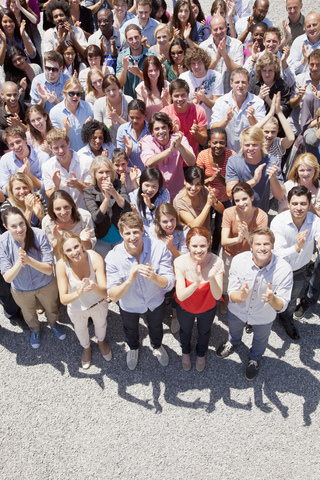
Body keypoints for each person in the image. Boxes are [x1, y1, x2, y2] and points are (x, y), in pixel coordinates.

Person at [216, 226, 293, 381]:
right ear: (251, 246)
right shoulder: (239, 261)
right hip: (238, 310)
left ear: (272, 245)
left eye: (266, 244)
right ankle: (233, 342)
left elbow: (282, 305)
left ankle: (255, 358)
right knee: (234, 329)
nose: (262, 248)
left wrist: (273, 300)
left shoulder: (284, 270)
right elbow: (231, 293)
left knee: (260, 340)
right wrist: (240, 296)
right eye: (258, 244)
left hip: (263, 315)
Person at [106, 211, 175, 371]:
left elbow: (170, 282)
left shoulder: (159, 248)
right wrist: (129, 281)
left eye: (136, 231)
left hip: (154, 300)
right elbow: (113, 295)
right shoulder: (112, 257)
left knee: (156, 326)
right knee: (130, 329)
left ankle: (156, 345)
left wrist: (154, 277)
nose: (132, 237)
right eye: (127, 233)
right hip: (129, 304)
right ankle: (134, 347)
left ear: (143, 230)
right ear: (121, 234)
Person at [0, 207, 66, 349]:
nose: (19, 229)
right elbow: (7, 278)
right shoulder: (2, 243)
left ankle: (53, 324)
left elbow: (49, 269)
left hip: (46, 284)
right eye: (13, 226)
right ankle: (35, 330)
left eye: (21, 223)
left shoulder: (39, 235)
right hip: (21, 289)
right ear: (5, 227)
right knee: (28, 313)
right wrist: (19, 262)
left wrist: (29, 260)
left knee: (52, 308)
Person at [271, 186, 320, 341]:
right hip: (277, 268)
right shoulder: (279, 221)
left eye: (303, 204)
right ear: (288, 203)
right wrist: (297, 247)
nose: (299, 208)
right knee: (269, 294)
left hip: (299, 269)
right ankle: (260, 319)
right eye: (295, 203)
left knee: (292, 298)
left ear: (309, 204)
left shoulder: (315, 221)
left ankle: (286, 318)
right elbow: (277, 252)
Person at [56, 232, 111, 368]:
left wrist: (94, 287)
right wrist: (77, 293)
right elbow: (63, 299)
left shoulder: (94, 257)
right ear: (63, 252)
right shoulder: (61, 265)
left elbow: (105, 292)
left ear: (81, 244)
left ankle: (101, 342)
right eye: (68, 250)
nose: (74, 252)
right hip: (76, 307)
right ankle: (86, 348)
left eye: (76, 246)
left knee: (101, 325)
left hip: (98, 303)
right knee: (80, 329)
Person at [174, 226, 223, 372]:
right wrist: (196, 281)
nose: (198, 250)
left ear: (209, 243)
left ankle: (201, 353)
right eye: (194, 246)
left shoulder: (216, 261)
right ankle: (186, 352)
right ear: (187, 245)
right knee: (185, 330)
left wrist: (212, 278)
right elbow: (181, 295)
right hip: (185, 307)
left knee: (204, 331)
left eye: (202, 245)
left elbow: (217, 295)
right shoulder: (180, 262)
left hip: (207, 307)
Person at [220, 182, 268, 314]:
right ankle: (225, 299)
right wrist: (238, 239)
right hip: (229, 254)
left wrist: (247, 236)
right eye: (237, 200)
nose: (241, 203)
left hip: (249, 257)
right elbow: (224, 241)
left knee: (246, 281)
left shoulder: (261, 216)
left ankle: (244, 301)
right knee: (226, 280)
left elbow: (262, 244)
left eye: (244, 198)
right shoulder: (228, 212)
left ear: (252, 197)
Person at [225, 126, 285, 213]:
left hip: (260, 213)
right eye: (247, 145)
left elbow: (280, 196)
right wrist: (254, 181)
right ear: (241, 145)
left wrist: (273, 178)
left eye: (254, 145)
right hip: (238, 213)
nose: (250, 148)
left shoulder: (271, 162)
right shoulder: (233, 161)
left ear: (261, 145)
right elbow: (230, 193)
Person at [196, 127, 235, 253]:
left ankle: (214, 250)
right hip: (207, 198)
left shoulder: (232, 156)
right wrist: (211, 179)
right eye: (215, 142)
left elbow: (231, 182)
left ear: (226, 143)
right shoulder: (202, 156)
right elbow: (198, 182)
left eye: (221, 142)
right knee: (205, 226)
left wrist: (219, 177)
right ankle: (203, 248)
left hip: (224, 198)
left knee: (220, 227)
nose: (218, 145)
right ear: (209, 143)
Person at [141, 112, 195, 200]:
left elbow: (192, 162)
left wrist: (179, 146)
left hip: (178, 193)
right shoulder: (147, 141)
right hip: (156, 193)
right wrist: (170, 150)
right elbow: (149, 162)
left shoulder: (179, 139)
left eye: (163, 127)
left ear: (169, 128)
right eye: (157, 129)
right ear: (152, 132)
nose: (161, 131)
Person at [83, 156, 131, 258]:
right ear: (94, 174)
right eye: (101, 172)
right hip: (102, 240)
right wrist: (106, 200)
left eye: (107, 172)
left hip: (121, 237)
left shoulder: (118, 184)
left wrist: (114, 193)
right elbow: (96, 218)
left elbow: (127, 208)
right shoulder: (89, 191)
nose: (104, 175)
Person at [210, 67, 266, 153]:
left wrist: (251, 118)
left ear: (248, 83)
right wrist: (227, 119)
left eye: (243, 82)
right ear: (231, 83)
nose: (240, 86)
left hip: (249, 153)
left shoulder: (258, 102)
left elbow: (261, 131)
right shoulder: (220, 102)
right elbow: (213, 129)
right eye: (237, 82)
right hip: (225, 153)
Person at [43, 128, 91, 209]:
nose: (61, 151)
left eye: (63, 146)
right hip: (63, 214)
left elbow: (92, 192)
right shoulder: (47, 166)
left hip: (85, 212)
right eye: (56, 148)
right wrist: (56, 186)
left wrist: (78, 185)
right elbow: (49, 196)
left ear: (68, 143)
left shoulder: (86, 161)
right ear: (50, 148)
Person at [42, 189, 96, 259]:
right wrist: (58, 240)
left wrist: (83, 240)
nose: (63, 212)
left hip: (84, 261)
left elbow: (90, 247)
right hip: (62, 264)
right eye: (58, 209)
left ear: (72, 205)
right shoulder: (47, 222)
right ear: (52, 210)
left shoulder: (84, 217)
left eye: (66, 207)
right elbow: (50, 253)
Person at [161, 78, 207, 157]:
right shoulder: (164, 113)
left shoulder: (199, 111)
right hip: (171, 161)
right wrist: (171, 131)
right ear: (171, 96)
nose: (180, 99)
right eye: (176, 96)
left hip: (191, 159)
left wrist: (196, 133)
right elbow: (159, 141)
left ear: (188, 95)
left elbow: (203, 141)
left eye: (183, 95)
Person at [199, 15, 243, 94]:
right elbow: (201, 74)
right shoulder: (203, 47)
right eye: (215, 29)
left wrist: (225, 55)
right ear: (211, 30)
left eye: (221, 28)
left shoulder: (237, 45)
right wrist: (216, 60)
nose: (219, 32)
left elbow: (239, 73)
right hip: (211, 96)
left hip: (231, 95)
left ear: (226, 27)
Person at [180, 46, 224, 125]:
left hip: (211, 123)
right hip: (191, 124)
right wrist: (192, 102)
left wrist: (204, 99)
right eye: (193, 63)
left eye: (199, 62)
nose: (196, 66)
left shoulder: (216, 76)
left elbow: (218, 106)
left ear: (205, 62)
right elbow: (181, 104)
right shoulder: (183, 77)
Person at [1, 125, 49, 196]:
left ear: (25, 139)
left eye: (18, 142)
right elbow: (4, 190)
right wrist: (18, 177)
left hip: (39, 198)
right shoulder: (5, 160)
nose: (16, 147)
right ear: (8, 147)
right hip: (17, 201)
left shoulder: (42, 157)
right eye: (12, 145)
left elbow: (46, 188)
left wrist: (29, 175)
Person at [173, 166, 224, 233]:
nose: (193, 188)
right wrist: (208, 204)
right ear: (185, 181)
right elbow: (194, 226)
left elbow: (222, 210)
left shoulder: (203, 190)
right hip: (189, 239)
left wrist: (214, 200)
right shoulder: (179, 201)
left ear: (202, 185)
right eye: (190, 183)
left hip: (205, 235)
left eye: (197, 184)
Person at [49, 77, 93, 152]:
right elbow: (55, 141)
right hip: (67, 156)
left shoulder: (89, 108)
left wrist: (89, 129)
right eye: (71, 93)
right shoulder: (55, 112)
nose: (75, 96)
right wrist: (65, 130)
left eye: (78, 94)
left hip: (87, 155)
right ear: (64, 93)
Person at [116, 24, 156, 98]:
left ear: (141, 36)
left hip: (148, 98)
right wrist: (124, 69)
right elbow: (119, 84)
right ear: (127, 40)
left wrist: (139, 73)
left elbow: (155, 82)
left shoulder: (151, 55)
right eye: (130, 39)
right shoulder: (122, 56)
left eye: (136, 37)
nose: (134, 41)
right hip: (129, 100)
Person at [248, 52, 291, 118]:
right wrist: (259, 97)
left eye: (270, 70)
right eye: (264, 70)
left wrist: (269, 101)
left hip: (275, 125)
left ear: (275, 71)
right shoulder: (253, 83)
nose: (267, 74)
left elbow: (285, 113)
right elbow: (246, 107)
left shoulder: (283, 86)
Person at [256, 92, 295, 164]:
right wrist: (270, 113)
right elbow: (249, 132)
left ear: (277, 131)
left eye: (273, 132)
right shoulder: (255, 143)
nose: (270, 135)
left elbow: (291, 138)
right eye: (266, 131)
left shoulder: (277, 143)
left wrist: (279, 112)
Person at [94, 74, 133, 145]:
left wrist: (118, 119)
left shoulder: (128, 101)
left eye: (114, 89)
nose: (111, 93)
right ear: (104, 91)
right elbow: (98, 131)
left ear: (119, 88)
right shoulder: (98, 104)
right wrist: (110, 126)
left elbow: (134, 127)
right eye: (108, 90)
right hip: (107, 145)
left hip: (127, 143)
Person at [129, 168, 169, 236]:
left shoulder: (163, 194)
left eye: (154, 186)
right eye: (147, 185)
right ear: (141, 183)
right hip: (142, 236)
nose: (150, 190)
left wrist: (151, 207)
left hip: (160, 235)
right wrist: (135, 216)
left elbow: (166, 216)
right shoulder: (132, 196)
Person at [116, 99, 149, 172]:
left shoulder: (151, 130)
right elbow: (119, 160)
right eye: (131, 117)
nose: (134, 121)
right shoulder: (122, 130)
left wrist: (145, 149)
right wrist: (128, 150)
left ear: (144, 115)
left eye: (138, 118)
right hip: (129, 174)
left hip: (147, 175)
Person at [135, 56, 169, 121]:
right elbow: (140, 113)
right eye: (150, 71)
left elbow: (168, 110)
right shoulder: (141, 87)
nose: (153, 73)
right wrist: (144, 99)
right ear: (146, 72)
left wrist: (163, 99)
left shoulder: (166, 85)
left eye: (156, 70)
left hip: (163, 125)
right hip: (148, 125)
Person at [0, 81, 28, 156]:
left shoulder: (28, 109)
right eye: (9, 95)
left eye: (15, 95)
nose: (12, 98)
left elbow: (35, 132)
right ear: (2, 95)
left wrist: (19, 125)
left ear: (18, 94)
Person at [288, 11, 320, 76]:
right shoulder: (298, 42)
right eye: (308, 26)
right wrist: (304, 61)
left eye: (314, 25)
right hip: (302, 83)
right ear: (304, 27)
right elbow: (291, 69)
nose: (311, 28)